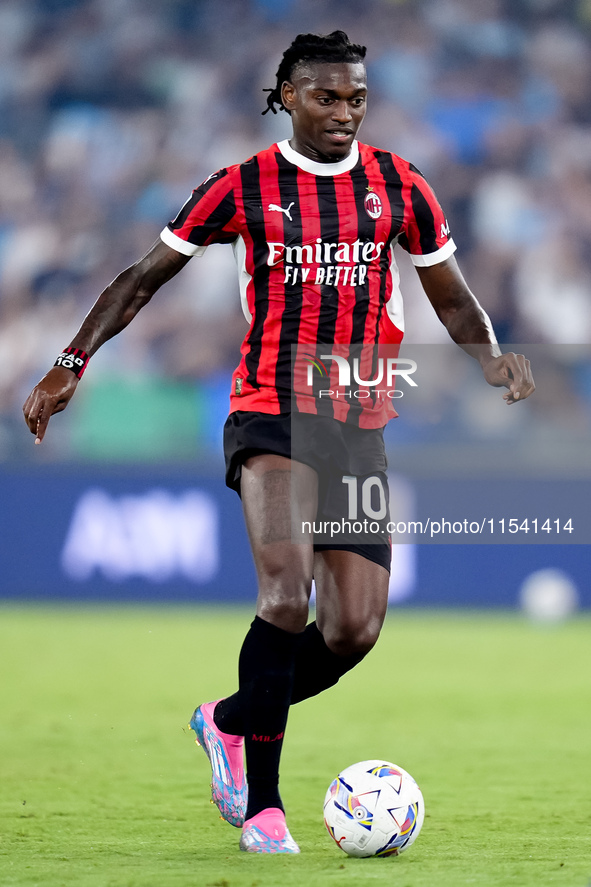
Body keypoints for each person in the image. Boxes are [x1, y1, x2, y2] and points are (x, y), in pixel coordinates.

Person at [23, 31, 535, 854]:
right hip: (269, 410)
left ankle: (227, 720)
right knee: (285, 595)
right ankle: (264, 809)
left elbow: (451, 296)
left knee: (352, 630)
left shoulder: (399, 186)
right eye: (325, 97)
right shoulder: (240, 186)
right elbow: (141, 277)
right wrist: (68, 362)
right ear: (287, 96)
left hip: (358, 429)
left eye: (356, 98)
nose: (343, 112)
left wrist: (491, 355)